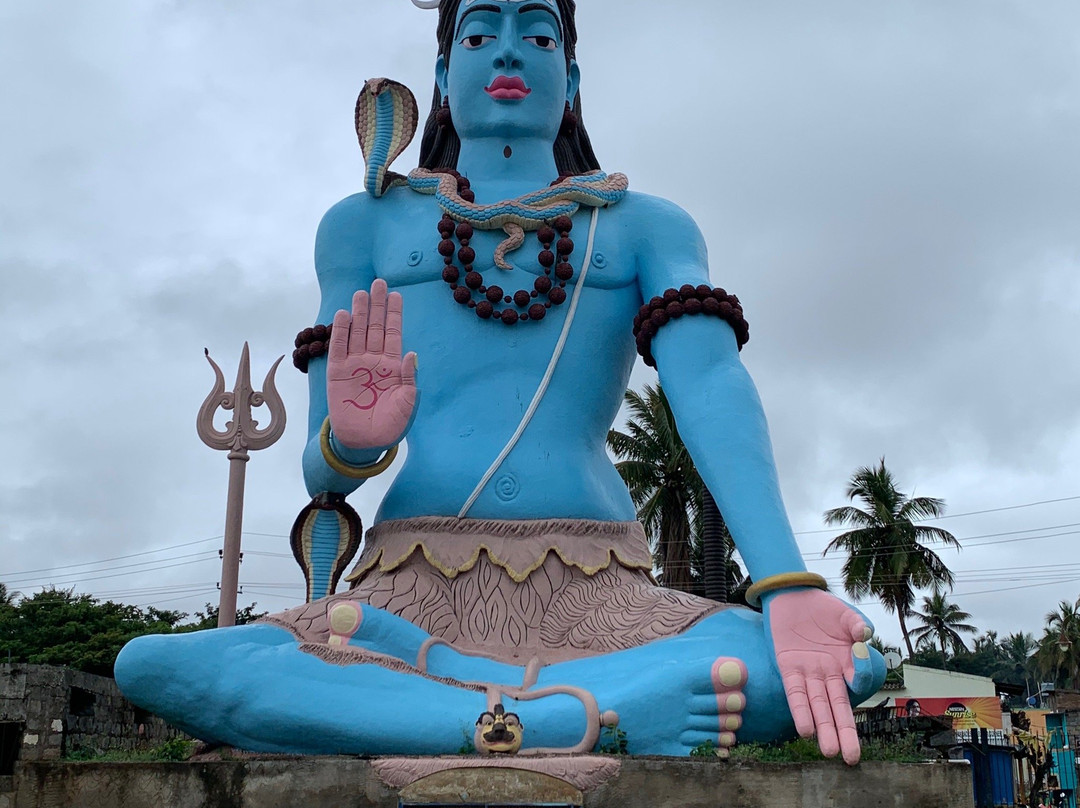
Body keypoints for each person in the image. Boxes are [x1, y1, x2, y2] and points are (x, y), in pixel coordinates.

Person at [116, 0, 884, 763]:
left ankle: (443, 708)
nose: (508, 52)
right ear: (444, 72)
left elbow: (710, 381)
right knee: (154, 666)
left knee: (849, 662)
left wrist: (787, 587)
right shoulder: (364, 224)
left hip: (602, 592)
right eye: (481, 33)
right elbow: (323, 477)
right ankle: (580, 716)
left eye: (538, 35)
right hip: (407, 591)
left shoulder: (646, 226)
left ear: (570, 77)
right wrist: (351, 442)